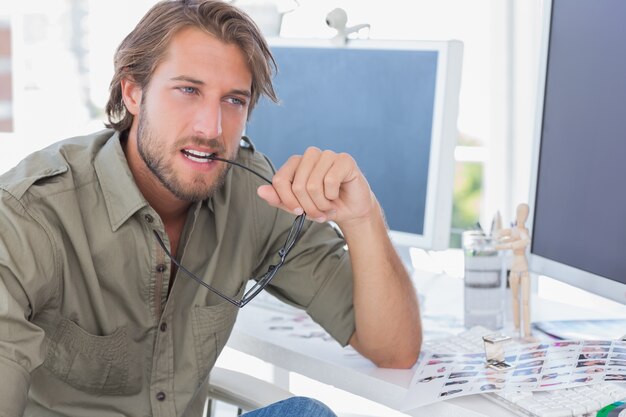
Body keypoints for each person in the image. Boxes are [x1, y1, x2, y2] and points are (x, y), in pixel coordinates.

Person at [0, 0, 422, 416]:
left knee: (306, 413)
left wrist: (362, 217)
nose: (211, 128)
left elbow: (394, 349)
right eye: (188, 90)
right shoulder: (29, 216)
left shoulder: (250, 194)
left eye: (233, 100)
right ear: (133, 92)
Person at [496, 203, 531, 338]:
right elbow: (499, 233)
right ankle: (517, 328)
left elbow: (525, 241)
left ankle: (527, 332)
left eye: (524, 214)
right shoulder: (513, 230)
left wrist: (506, 245)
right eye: (519, 213)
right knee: (514, 298)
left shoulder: (524, 232)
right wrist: (497, 237)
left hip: (524, 268)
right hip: (514, 269)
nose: (521, 216)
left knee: (525, 301)